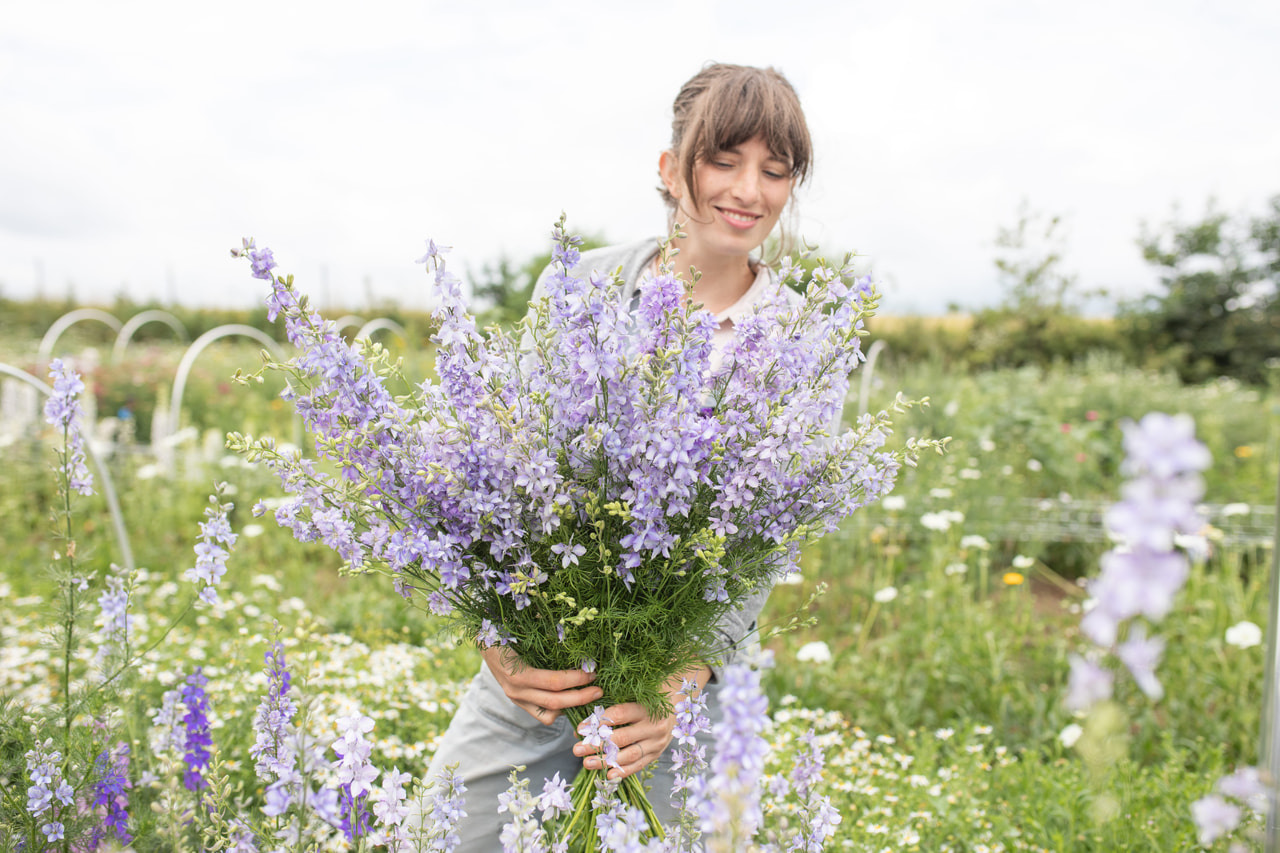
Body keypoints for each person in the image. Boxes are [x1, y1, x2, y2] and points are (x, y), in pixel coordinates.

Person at [423, 62, 814, 852]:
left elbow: (771, 542)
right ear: (671, 169)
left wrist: (684, 682)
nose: (749, 190)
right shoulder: (581, 286)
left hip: (680, 687)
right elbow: (501, 466)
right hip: (541, 662)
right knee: (437, 832)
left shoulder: (804, 338)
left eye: (775, 171)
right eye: (724, 160)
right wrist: (499, 645)